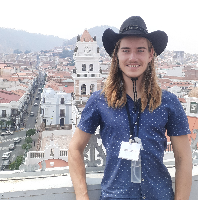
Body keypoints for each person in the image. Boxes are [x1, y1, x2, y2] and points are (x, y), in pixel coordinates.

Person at [68, 16, 192, 200]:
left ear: (151, 55)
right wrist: (82, 196)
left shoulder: (169, 102)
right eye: (126, 50)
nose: (133, 58)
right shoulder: (99, 101)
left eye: (140, 50)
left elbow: (183, 159)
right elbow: (74, 149)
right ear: (116, 55)